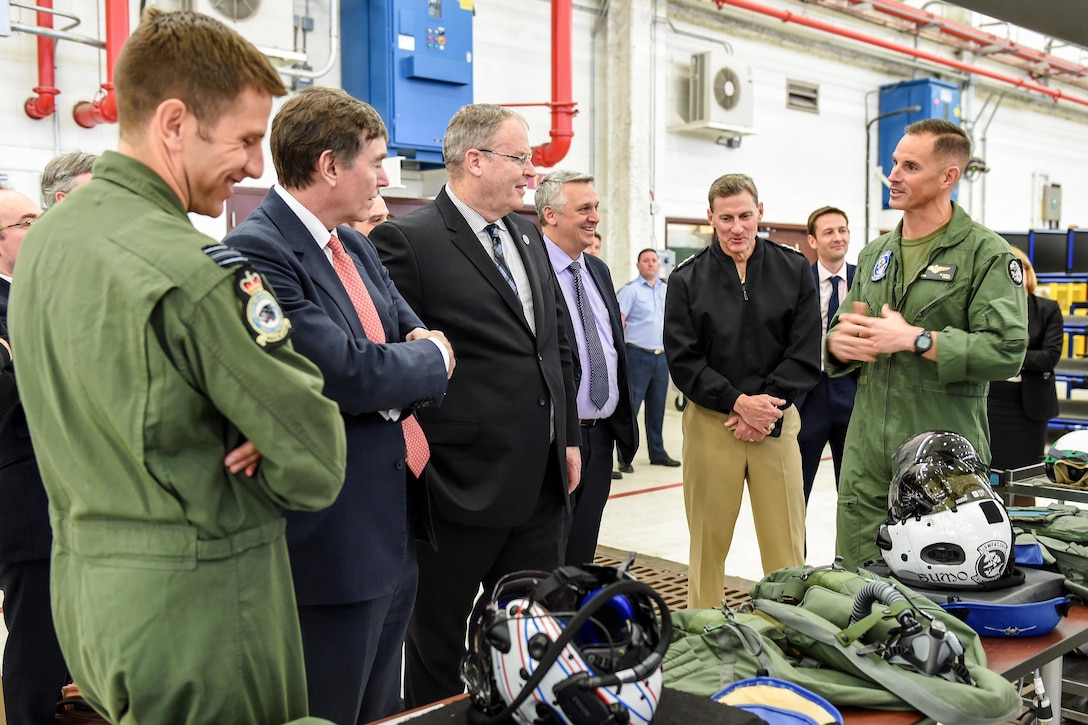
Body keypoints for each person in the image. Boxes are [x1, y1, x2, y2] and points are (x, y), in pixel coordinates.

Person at [7, 9, 348, 724]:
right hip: (204, 617)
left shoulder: (48, 241)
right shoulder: (195, 272)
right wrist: (262, 426)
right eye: (247, 139)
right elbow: (314, 456)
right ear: (173, 123)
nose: (256, 166)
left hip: (89, 601)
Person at [224, 86, 453, 725]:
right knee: (330, 706)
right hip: (332, 538)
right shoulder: (258, 252)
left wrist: (412, 364)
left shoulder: (352, 246)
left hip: (395, 519)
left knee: (381, 705)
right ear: (330, 166)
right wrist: (421, 363)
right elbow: (348, 373)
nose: (384, 177)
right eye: (375, 162)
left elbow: (412, 337)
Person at [369, 103, 580, 709]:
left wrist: (565, 439)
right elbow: (397, 362)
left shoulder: (527, 236)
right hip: (456, 485)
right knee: (438, 646)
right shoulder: (408, 240)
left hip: (540, 485)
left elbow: (554, 348)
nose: (532, 173)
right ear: (475, 159)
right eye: (521, 158)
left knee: (532, 636)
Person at [827, 118, 1027, 569]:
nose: (893, 175)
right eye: (895, 163)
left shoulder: (986, 255)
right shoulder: (875, 254)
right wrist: (839, 344)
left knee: (936, 596)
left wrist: (915, 339)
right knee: (858, 586)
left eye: (909, 166)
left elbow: (1005, 351)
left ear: (947, 177)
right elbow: (842, 330)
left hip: (939, 461)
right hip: (866, 458)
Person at [664, 173, 820, 609]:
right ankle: (704, 629)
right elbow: (684, 359)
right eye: (727, 217)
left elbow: (805, 351)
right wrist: (737, 402)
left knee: (786, 546)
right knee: (707, 545)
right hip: (714, 424)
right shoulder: (686, 280)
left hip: (776, 420)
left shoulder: (793, 270)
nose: (737, 227)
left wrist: (765, 407)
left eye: (745, 216)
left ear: (760, 213)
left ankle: (792, 628)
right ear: (710, 218)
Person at [536, 170, 637, 567]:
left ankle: (572, 625)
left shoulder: (597, 270)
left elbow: (610, 345)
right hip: (554, 439)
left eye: (595, 207)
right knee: (546, 555)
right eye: (583, 209)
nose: (594, 217)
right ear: (551, 214)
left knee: (581, 551)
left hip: (600, 439)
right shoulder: (531, 272)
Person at [0, 188, 69, 725]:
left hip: (68, 496)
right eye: (26, 221)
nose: (39, 226)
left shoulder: (41, 293)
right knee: (38, 652)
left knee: (71, 650)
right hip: (25, 501)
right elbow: (11, 400)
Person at [986, 246, 1062, 497]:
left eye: (1020, 267)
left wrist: (1007, 355)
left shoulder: (1047, 309)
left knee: (1026, 479)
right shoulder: (988, 308)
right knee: (989, 473)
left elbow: (1049, 357)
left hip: (1029, 406)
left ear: (1028, 272)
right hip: (992, 401)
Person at [796, 206, 857, 504]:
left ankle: (850, 553)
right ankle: (795, 553)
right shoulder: (797, 283)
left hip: (854, 392)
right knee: (796, 490)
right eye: (829, 231)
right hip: (810, 395)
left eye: (842, 230)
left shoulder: (865, 283)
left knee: (853, 493)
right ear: (812, 240)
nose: (838, 237)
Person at [616, 249, 681, 472]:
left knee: (657, 408)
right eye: (646, 261)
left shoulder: (667, 290)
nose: (651, 264)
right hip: (637, 356)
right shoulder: (630, 291)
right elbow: (617, 322)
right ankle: (625, 457)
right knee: (631, 408)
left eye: (654, 260)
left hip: (661, 357)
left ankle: (658, 452)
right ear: (638, 265)